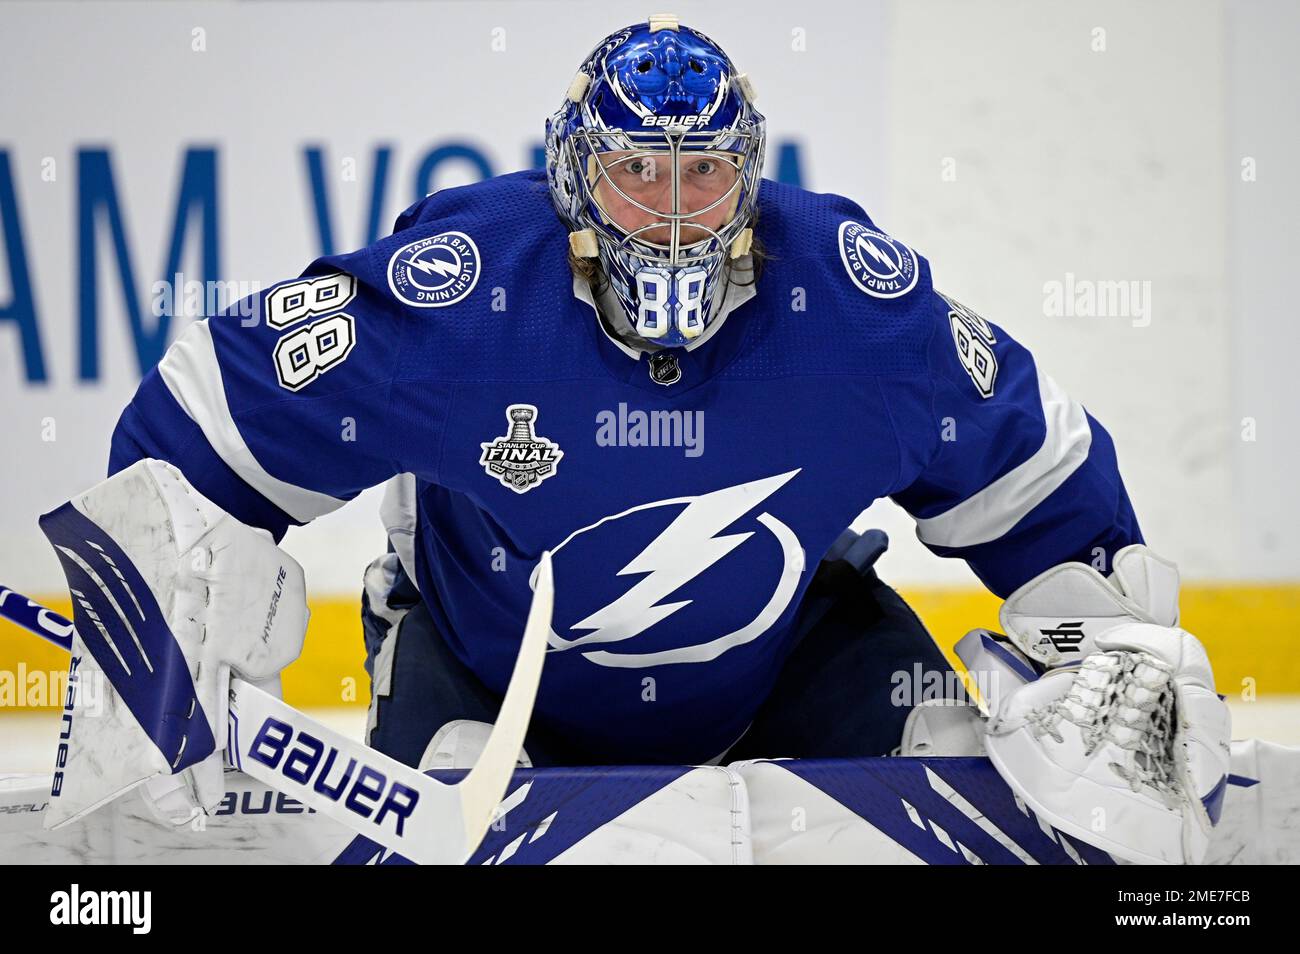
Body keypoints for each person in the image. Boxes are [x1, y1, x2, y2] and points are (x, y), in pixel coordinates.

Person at [51, 15, 1228, 861]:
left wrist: (1107, 643)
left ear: (749, 180)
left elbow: (1038, 474)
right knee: (444, 815)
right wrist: (156, 624)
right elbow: (206, 418)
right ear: (576, 175)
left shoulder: (852, 313)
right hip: (485, 672)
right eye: (636, 176)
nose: (671, 213)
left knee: (976, 777)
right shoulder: (465, 295)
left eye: (703, 177)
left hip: (788, 665)